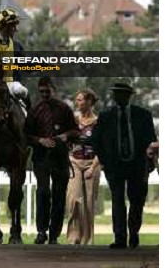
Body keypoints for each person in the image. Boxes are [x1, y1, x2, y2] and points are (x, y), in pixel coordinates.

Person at [91, 82, 157, 250]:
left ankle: (134, 233)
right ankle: (120, 238)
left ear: (129, 95)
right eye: (115, 93)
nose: (117, 96)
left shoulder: (143, 115)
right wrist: (105, 161)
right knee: (117, 201)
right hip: (115, 166)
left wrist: (149, 160)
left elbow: (151, 139)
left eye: (121, 93)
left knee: (137, 201)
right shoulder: (105, 117)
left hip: (137, 165)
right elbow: (96, 141)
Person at [24, 76, 80, 244]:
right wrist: (39, 140)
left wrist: (65, 135)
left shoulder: (64, 109)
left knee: (59, 195)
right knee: (42, 192)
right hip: (41, 157)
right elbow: (25, 135)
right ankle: (42, 231)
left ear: (53, 90)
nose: (45, 94)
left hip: (60, 157)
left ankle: (54, 234)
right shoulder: (35, 110)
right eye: (41, 92)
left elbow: (76, 131)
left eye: (47, 91)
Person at [66, 88, 102, 245]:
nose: (77, 103)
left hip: (92, 163)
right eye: (77, 100)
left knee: (88, 204)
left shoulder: (99, 122)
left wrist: (93, 168)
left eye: (80, 100)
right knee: (73, 200)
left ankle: (88, 239)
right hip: (74, 161)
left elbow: (102, 147)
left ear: (89, 102)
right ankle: (74, 236)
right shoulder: (74, 120)